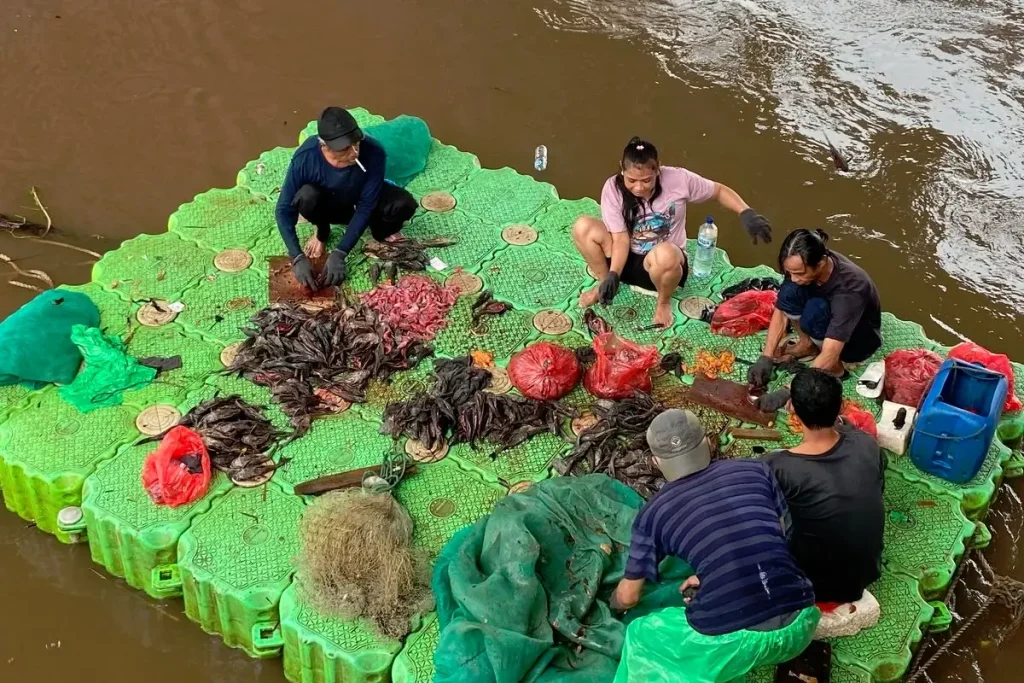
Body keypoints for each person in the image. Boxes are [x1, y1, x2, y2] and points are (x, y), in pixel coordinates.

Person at [610, 409, 819, 683]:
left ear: (656, 462)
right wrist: (711, 573)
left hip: (736, 646)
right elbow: (775, 536)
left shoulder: (654, 513)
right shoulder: (756, 470)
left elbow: (629, 597)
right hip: (802, 622)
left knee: (640, 634)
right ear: (709, 443)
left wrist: (613, 606)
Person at [573, 137, 773, 328]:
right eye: (632, 180)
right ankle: (604, 284)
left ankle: (663, 302)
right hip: (624, 257)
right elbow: (620, 239)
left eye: (647, 180)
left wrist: (745, 211)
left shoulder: (678, 179)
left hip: (660, 266)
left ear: (658, 168)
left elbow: (718, 191)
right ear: (622, 169)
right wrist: (613, 274)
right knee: (583, 226)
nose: (639, 187)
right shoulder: (612, 188)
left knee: (666, 254)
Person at [761, 368, 885, 606]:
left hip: (816, 585)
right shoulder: (866, 443)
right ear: (840, 408)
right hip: (868, 569)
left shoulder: (777, 466)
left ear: (792, 411)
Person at [275, 106, 418, 290]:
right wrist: (296, 256)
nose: (354, 153)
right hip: (328, 205)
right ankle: (322, 232)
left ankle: (377, 233)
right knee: (306, 196)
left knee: (403, 204)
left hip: (360, 199)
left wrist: (340, 252)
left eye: (356, 143)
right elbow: (283, 209)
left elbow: (366, 205)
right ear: (324, 145)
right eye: (344, 149)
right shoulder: (306, 157)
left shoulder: (374, 152)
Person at [748, 228, 883, 411]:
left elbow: (830, 353)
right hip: (824, 318)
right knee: (789, 292)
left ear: (820, 264)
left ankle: (836, 370)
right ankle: (807, 344)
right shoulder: (802, 269)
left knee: (815, 312)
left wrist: (790, 390)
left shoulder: (851, 287)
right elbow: (781, 311)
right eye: (790, 272)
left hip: (855, 342)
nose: (794, 278)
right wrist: (766, 356)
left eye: (800, 273)